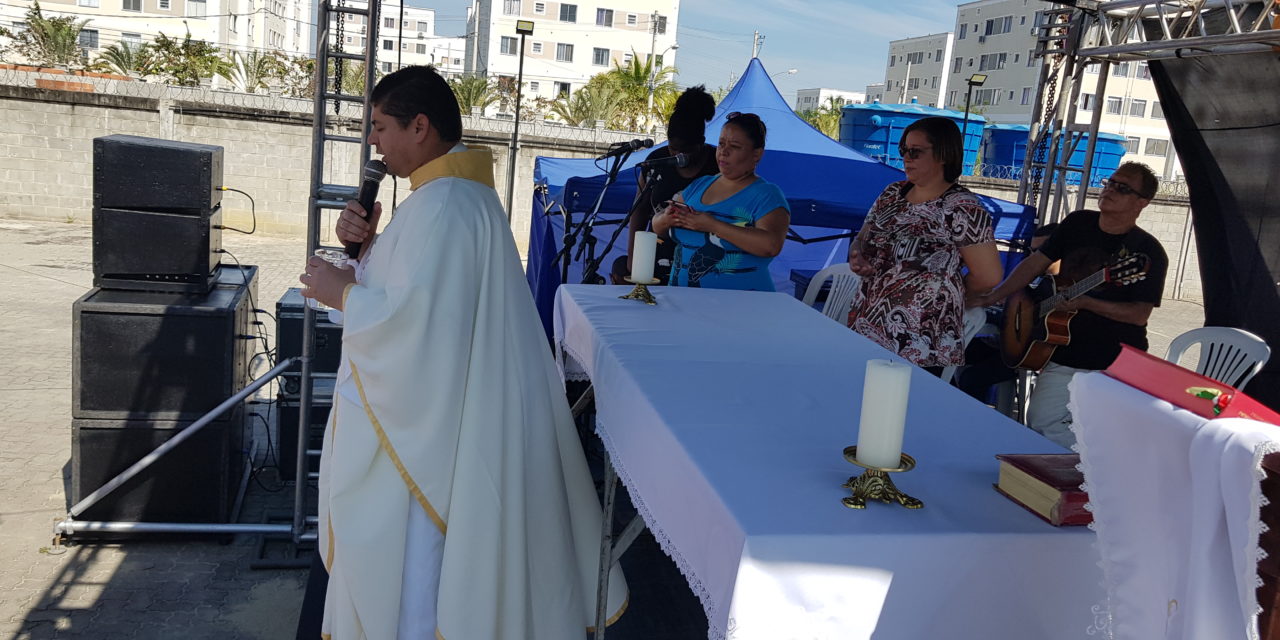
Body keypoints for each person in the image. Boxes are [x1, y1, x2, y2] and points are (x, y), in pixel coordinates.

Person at [294, 66, 626, 639]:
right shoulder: (450, 196)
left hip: (433, 434)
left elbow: (421, 331)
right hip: (455, 417)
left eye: (379, 126)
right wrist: (368, 250)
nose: (372, 140)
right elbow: (424, 300)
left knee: (420, 581)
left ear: (419, 126)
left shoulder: (445, 205)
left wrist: (340, 291)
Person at [968, 162, 1170, 448]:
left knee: (1057, 423)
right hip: (1063, 350)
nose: (1110, 190)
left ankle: (1096, 467)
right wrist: (996, 294)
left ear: (1142, 203)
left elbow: (1139, 315)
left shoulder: (1147, 252)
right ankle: (1087, 466)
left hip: (1111, 358)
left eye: (1122, 188)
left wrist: (1088, 303)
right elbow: (1036, 263)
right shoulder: (1078, 223)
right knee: (1040, 420)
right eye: (1110, 182)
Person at [847, 117, 1003, 374]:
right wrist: (857, 254)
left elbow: (988, 276)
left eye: (915, 152)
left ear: (943, 154)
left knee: (906, 409)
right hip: (868, 323)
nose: (906, 158)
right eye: (904, 150)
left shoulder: (962, 207)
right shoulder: (891, 193)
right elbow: (863, 237)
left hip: (922, 338)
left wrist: (953, 292)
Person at [651, 111, 790, 290]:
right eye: (721, 144)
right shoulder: (699, 185)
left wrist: (712, 225)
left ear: (757, 154)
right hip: (683, 301)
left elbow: (770, 246)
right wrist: (666, 219)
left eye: (735, 146)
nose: (724, 152)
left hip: (743, 307)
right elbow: (657, 226)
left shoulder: (767, 194)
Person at [610, 85, 719, 284]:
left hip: (701, 258)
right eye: (672, 148)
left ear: (701, 142)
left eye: (685, 151)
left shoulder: (718, 164)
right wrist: (634, 260)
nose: (677, 156)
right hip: (656, 254)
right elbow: (639, 210)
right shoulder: (656, 162)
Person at [955, 222, 1059, 401]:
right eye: (1032, 251)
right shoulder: (1040, 282)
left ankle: (970, 421)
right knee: (951, 354)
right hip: (1007, 345)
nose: (1034, 256)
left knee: (971, 379)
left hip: (1027, 354)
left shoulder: (1063, 285)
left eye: (1040, 250)